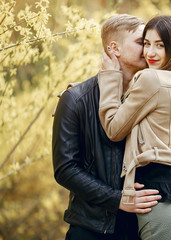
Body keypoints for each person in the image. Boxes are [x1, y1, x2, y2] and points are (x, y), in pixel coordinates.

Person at [98, 15, 171, 240]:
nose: (149, 53)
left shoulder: (152, 79)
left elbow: (113, 128)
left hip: (164, 206)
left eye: (160, 45)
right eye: (146, 43)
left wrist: (110, 76)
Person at [52, 14, 163, 240]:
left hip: (143, 227)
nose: (149, 50)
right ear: (114, 48)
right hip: (92, 228)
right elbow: (65, 169)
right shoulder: (75, 99)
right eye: (142, 42)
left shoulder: (150, 96)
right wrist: (117, 199)